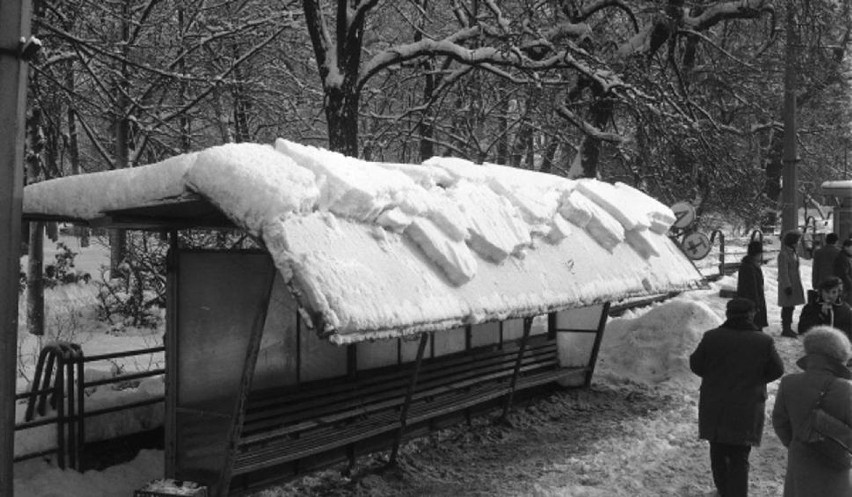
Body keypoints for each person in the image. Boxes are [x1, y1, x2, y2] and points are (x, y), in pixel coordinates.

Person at [689, 297, 785, 497]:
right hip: (747, 405)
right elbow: (777, 370)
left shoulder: (712, 337)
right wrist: (756, 381)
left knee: (717, 450)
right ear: (751, 314)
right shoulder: (763, 341)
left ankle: (724, 491)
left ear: (728, 314)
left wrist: (715, 377)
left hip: (715, 403)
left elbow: (696, 365)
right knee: (739, 455)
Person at [772, 326, 852, 497]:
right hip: (835, 463)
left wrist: (798, 442)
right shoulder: (845, 389)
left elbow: (780, 422)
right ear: (840, 355)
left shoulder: (789, 383)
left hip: (800, 461)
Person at [778, 229, 805, 338]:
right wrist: (787, 286)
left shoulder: (793, 252)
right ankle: (786, 328)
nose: (798, 243)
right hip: (788, 284)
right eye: (797, 241)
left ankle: (788, 327)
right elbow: (783, 272)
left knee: (791, 306)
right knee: (787, 307)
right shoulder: (784, 254)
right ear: (793, 242)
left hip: (794, 283)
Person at [736, 241, 768, 330]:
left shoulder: (751, 264)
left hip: (752, 301)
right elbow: (752, 288)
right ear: (757, 253)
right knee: (754, 326)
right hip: (751, 302)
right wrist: (756, 304)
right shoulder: (749, 266)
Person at [834, 238, 852, 306]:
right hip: (846, 288)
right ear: (846, 247)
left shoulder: (847, 257)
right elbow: (844, 274)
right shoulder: (842, 258)